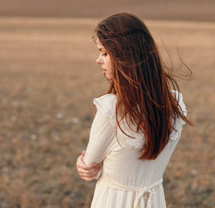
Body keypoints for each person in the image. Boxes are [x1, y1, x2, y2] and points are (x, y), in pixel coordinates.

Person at [76, 12, 191, 208]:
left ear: (124, 55)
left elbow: (89, 165)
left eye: (104, 53)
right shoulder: (174, 105)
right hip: (154, 201)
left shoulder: (112, 111)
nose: (99, 60)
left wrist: (82, 162)